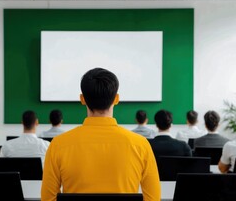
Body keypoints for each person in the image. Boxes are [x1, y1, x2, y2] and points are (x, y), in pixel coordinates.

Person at [41, 68, 160, 201]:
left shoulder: (58, 145)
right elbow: (153, 198)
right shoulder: (141, 145)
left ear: (82, 99)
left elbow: (48, 199)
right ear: (116, 99)